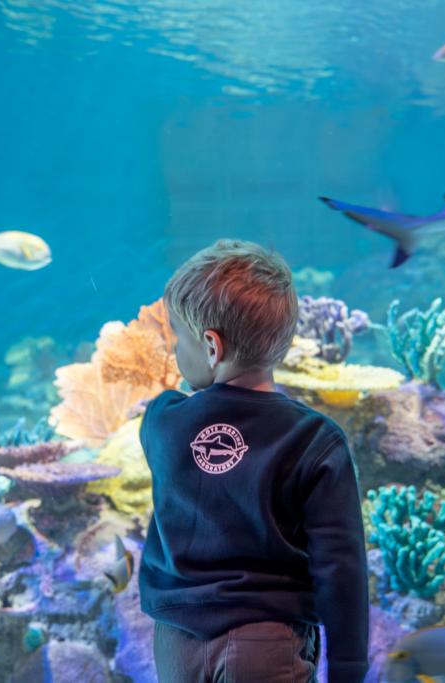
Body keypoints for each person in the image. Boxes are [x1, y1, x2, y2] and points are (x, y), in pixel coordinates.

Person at [139, 239, 369, 683]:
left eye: (178, 338)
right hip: (267, 640)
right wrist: (347, 669)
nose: (174, 352)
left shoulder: (163, 424)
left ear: (211, 347)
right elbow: (341, 566)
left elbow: (190, 418)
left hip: (174, 640)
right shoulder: (315, 440)